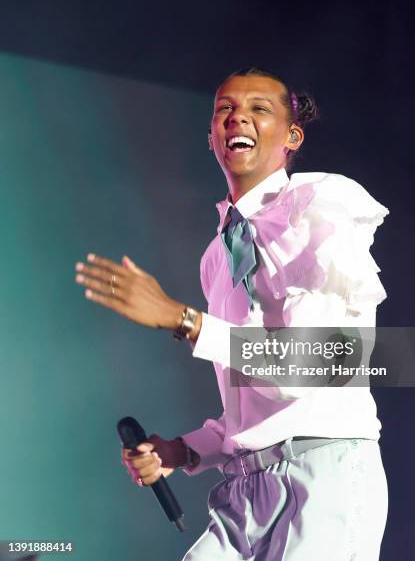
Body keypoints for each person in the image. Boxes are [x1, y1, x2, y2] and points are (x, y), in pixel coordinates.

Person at [74, 67, 390, 560]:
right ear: (211, 137)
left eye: (259, 108)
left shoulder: (320, 206)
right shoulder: (217, 257)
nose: (237, 116)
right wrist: (178, 452)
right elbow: (250, 407)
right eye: (224, 108)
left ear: (292, 136)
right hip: (244, 494)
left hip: (320, 480)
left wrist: (186, 320)